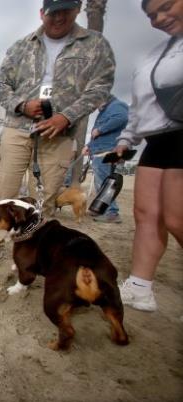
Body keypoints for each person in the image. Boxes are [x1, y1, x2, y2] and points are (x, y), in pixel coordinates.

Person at [0, 0, 116, 266]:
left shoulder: (96, 44)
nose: (58, 17)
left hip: (61, 133)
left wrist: (65, 116)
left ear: (77, 10)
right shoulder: (22, 46)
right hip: (18, 128)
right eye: (53, 12)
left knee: (45, 196)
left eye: (65, 10)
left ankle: (32, 248)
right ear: (42, 13)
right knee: (5, 189)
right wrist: (21, 105)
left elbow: (100, 87)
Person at [115, 0, 183, 312]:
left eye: (166, 6)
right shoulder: (154, 54)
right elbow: (140, 106)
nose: (159, 18)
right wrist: (128, 139)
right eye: (152, 15)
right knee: (146, 213)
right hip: (157, 139)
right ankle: (139, 287)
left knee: (177, 218)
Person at [82, 95, 129, 223]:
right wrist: (89, 146)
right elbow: (95, 135)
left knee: (105, 183)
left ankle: (111, 212)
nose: (94, 107)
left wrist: (100, 129)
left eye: (94, 102)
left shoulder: (117, 105)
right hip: (101, 149)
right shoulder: (106, 109)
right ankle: (101, 209)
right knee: (102, 182)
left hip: (108, 150)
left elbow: (122, 117)